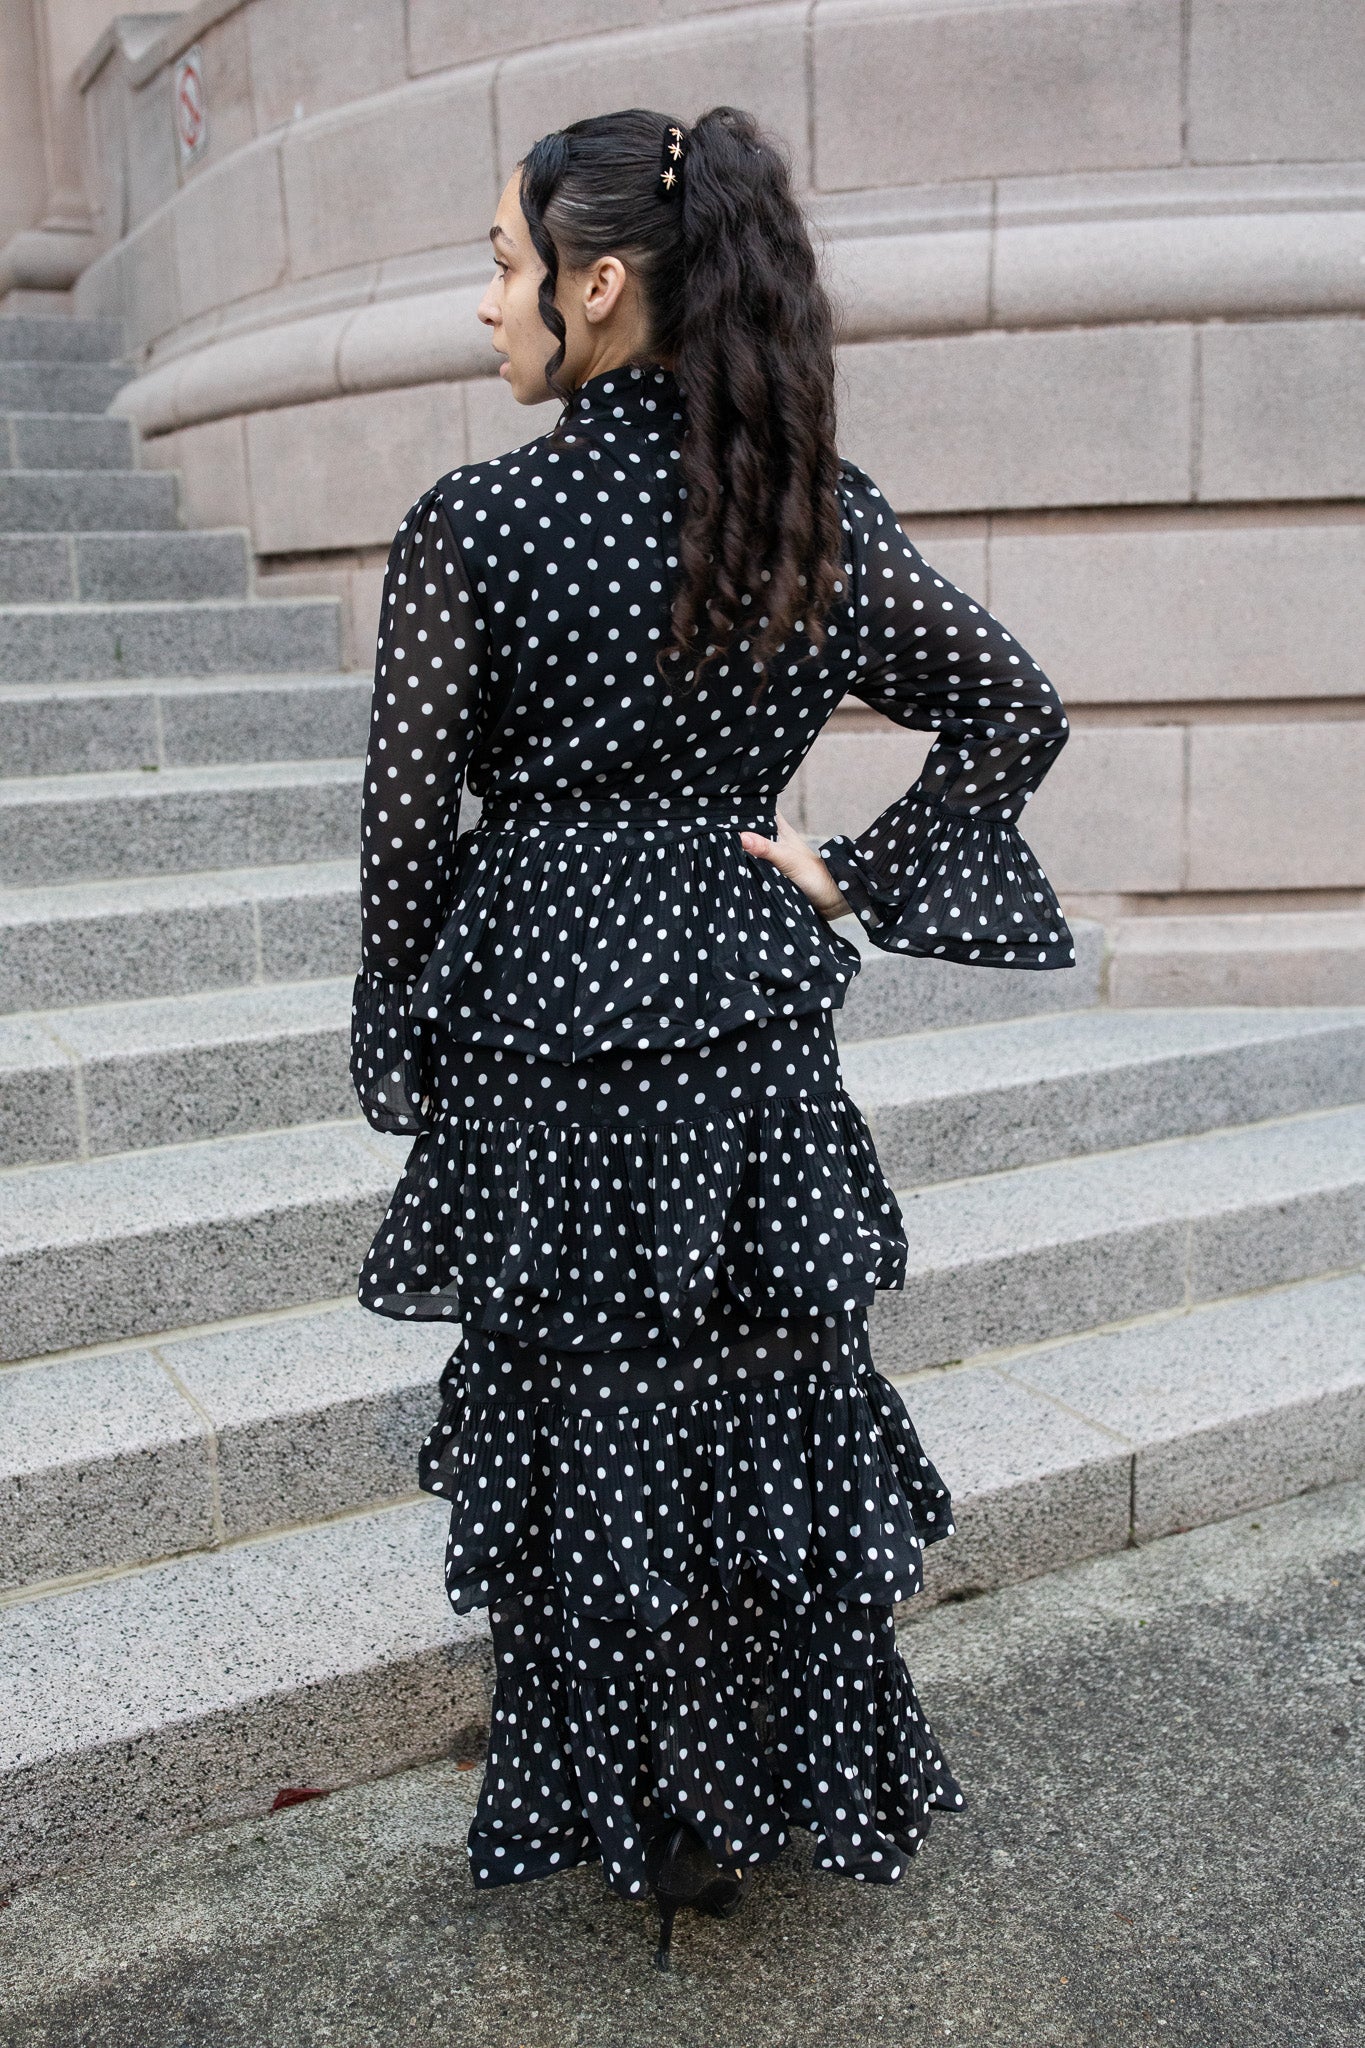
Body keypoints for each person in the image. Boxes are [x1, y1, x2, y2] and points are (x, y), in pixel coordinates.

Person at [350, 104, 1072, 1969]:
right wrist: (854, 873)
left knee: (589, 1415)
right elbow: (1014, 706)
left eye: (503, 268)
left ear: (598, 285)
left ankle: (647, 1806)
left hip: (546, 1039)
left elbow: (405, 834)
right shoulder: (795, 514)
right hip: (740, 1030)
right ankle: (741, 1787)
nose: (486, 304)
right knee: (758, 1401)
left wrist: (402, 1035)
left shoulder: (476, 526)